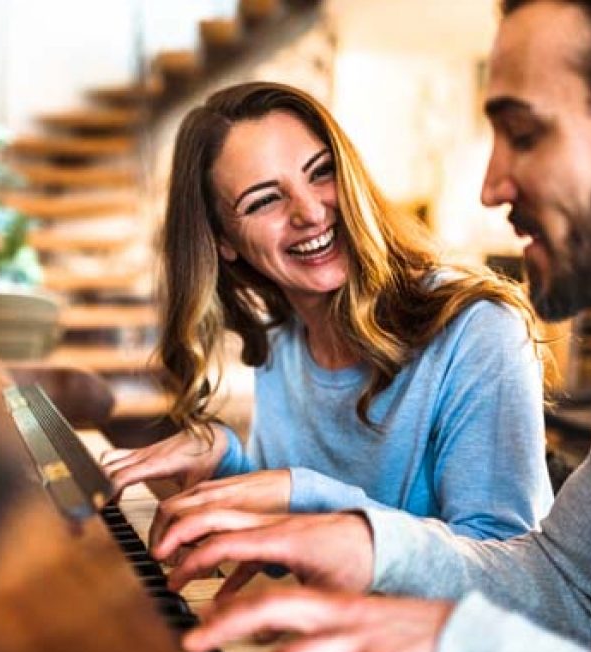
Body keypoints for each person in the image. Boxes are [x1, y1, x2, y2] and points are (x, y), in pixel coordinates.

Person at [162, 1, 591, 652]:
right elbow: (564, 586)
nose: (490, 187)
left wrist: (456, 648)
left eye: (525, 133)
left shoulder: (483, 329)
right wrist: (370, 546)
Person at [101, 81, 553, 548]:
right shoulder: (284, 340)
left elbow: (504, 566)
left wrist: (300, 493)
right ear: (223, 242)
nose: (310, 212)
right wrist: (226, 461)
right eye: (263, 200)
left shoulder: (478, 329)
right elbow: (297, 549)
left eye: (321, 172)